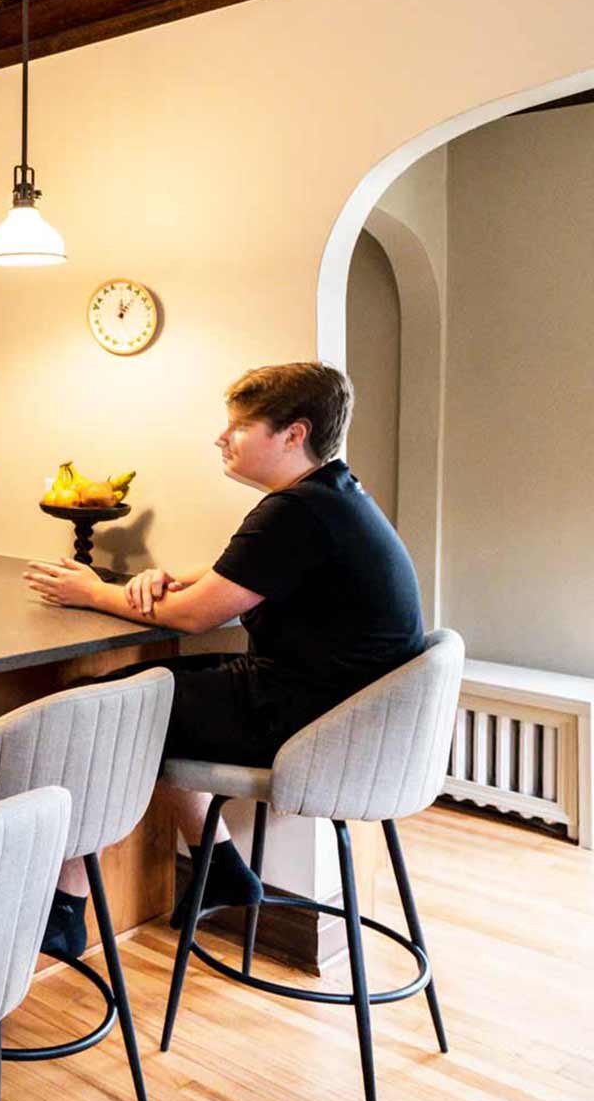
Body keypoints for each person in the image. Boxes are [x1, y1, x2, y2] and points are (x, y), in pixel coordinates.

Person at [21, 362, 425, 959]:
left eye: (239, 426)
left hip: (305, 720)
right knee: (140, 691)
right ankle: (219, 867)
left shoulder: (294, 512)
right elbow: (230, 580)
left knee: (110, 709)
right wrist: (164, 579)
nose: (221, 438)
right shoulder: (329, 497)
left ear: (293, 433)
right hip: (339, 715)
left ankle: (67, 908)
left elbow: (194, 617)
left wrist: (93, 592)